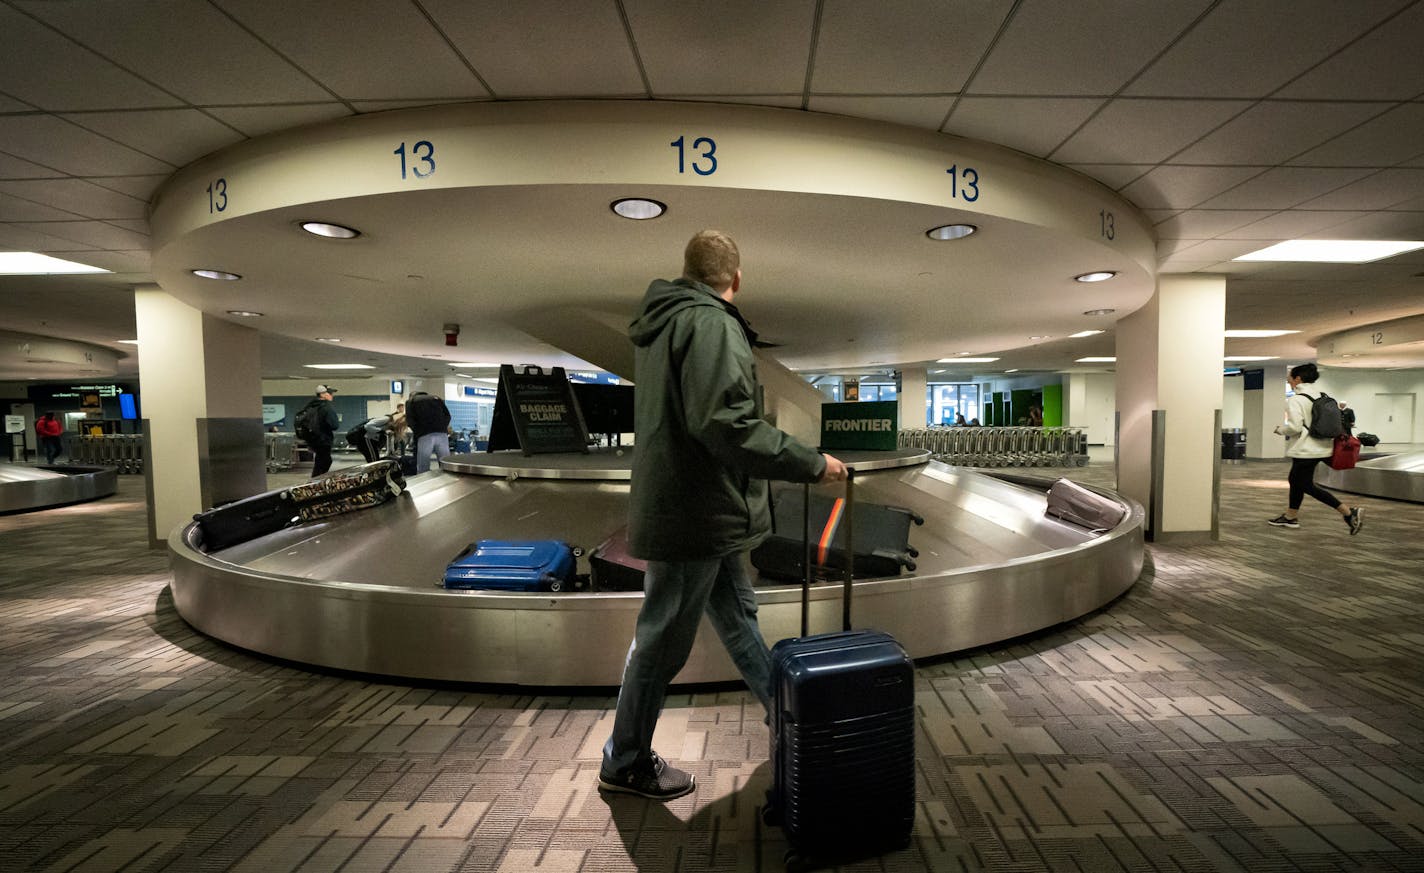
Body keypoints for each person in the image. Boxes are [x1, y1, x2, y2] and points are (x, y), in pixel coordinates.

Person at [599, 229, 847, 801]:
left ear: (687, 271)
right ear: (736, 280)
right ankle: (626, 760)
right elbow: (726, 424)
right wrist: (811, 463)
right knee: (661, 640)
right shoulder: (709, 323)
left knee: (738, 619)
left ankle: (788, 721)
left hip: (701, 510)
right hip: (697, 513)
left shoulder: (664, 324)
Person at [1268, 363, 1363, 534]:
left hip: (1305, 449)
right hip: (1323, 447)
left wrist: (1280, 430)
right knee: (1296, 481)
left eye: (1290, 376)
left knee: (1304, 484)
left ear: (1298, 378)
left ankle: (1348, 512)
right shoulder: (1323, 395)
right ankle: (1290, 517)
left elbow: (1295, 427)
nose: (1288, 379)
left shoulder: (1296, 399)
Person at [406, 390, 451, 473]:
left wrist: (418, 431)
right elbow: (448, 415)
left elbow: (410, 420)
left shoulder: (411, 401)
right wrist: (442, 427)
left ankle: (425, 484)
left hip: (424, 435)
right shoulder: (436, 398)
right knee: (446, 463)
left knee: (423, 466)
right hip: (442, 434)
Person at [301, 385, 340, 477]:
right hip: (323, 439)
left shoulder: (309, 406)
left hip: (312, 439)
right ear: (322, 394)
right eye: (329, 393)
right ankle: (316, 482)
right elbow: (334, 425)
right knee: (325, 461)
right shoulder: (326, 407)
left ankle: (315, 480)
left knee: (319, 461)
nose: (331, 395)